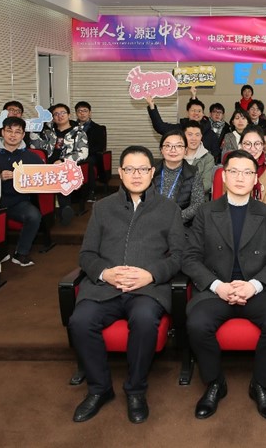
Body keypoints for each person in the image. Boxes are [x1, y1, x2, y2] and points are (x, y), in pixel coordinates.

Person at [69, 145, 186, 425]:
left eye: (143, 169)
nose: (136, 175)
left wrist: (151, 275)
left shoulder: (169, 209)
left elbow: (180, 256)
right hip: (104, 288)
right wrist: (105, 273)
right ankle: (99, 389)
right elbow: (86, 255)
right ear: (120, 173)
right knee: (80, 321)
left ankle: (135, 390)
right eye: (130, 169)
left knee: (144, 319)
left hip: (147, 289)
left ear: (152, 172)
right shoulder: (102, 208)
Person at [183, 149, 266, 421]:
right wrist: (217, 286)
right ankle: (214, 382)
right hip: (216, 290)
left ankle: (261, 384)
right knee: (197, 323)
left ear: (256, 178)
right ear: (223, 176)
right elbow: (190, 257)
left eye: (247, 172)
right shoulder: (206, 212)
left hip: (256, 289)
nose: (240, 178)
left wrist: (253, 285)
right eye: (233, 171)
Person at [0, 117, 43, 267]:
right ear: (2, 132)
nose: (13, 135)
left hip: (19, 202)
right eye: (9, 131)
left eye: (17, 132)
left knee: (34, 216)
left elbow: (43, 177)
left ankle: (21, 253)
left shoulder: (31, 156)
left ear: (23, 134)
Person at [29, 103, 89, 226]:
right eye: (56, 114)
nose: (59, 116)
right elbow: (35, 147)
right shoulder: (47, 132)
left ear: (69, 115)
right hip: (47, 166)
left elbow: (83, 153)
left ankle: (64, 210)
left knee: (62, 177)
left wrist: (63, 161)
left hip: (66, 166)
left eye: (62, 113)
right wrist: (34, 131)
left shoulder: (79, 133)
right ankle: (43, 215)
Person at [146, 94, 220, 163]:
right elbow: (160, 127)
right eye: (193, 110)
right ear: (187, 112)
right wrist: (152, 107)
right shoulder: (180, 128)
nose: (196, 113)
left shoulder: (210, 134)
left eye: (199, 111)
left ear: (203, 114)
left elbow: (215, 153)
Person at [154, 130, 204, 225]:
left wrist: (175, 219)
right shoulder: (151, 171)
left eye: (178, 146)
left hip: (180, 225)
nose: (173, 150)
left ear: (185, 150)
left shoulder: (193, 173)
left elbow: (197, 204)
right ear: (161, 150)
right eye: (168, 146)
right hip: (152, 223)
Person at [236, 127, 266, 207]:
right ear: (241, 145)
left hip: (261, 214)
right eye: (247, 144)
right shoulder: (231, 169)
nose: (253, 148)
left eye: (257, 144)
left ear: (263, 146)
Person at [74, 101, 108, 201]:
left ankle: (90, 192)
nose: (82, 113)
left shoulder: (98, 128)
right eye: (79, 111)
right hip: (74, 154)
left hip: (91, 155)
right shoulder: (72, 127)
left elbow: (99, 146)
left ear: (90, 113)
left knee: (87, 162)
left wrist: (83, 153)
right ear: (76, 113)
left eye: (85, 111)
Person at [182, 120, 215, 200]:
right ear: (183, 136)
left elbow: (207, 184)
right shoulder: (176, 155)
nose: (194, 138)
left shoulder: (208, 158)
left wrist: (185, 192)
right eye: (190, 135)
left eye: (197, 135)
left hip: (199, 200)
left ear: (201, 136)